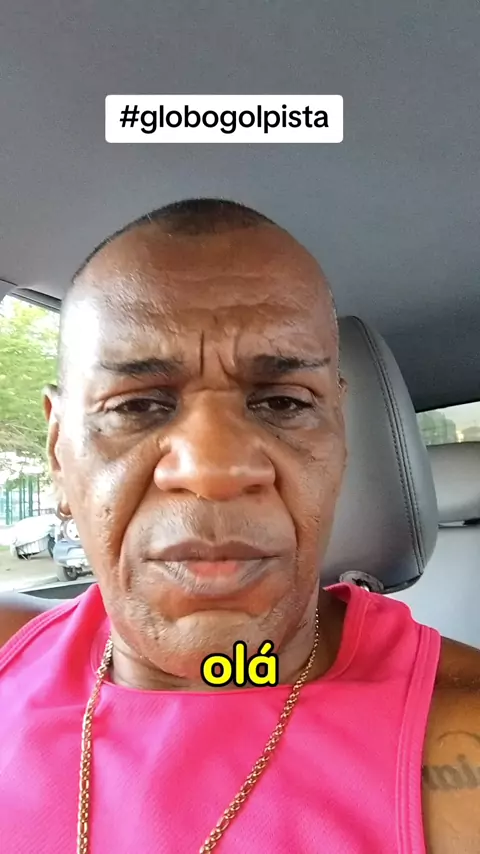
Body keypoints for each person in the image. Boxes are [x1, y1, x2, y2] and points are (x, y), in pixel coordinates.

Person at [0, 199, 479, 854]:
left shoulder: (457, 735)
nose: (215, 470)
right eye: (137, 406)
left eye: (283, 402)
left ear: (340, 440)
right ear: (59, 453)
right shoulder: (11, 650)